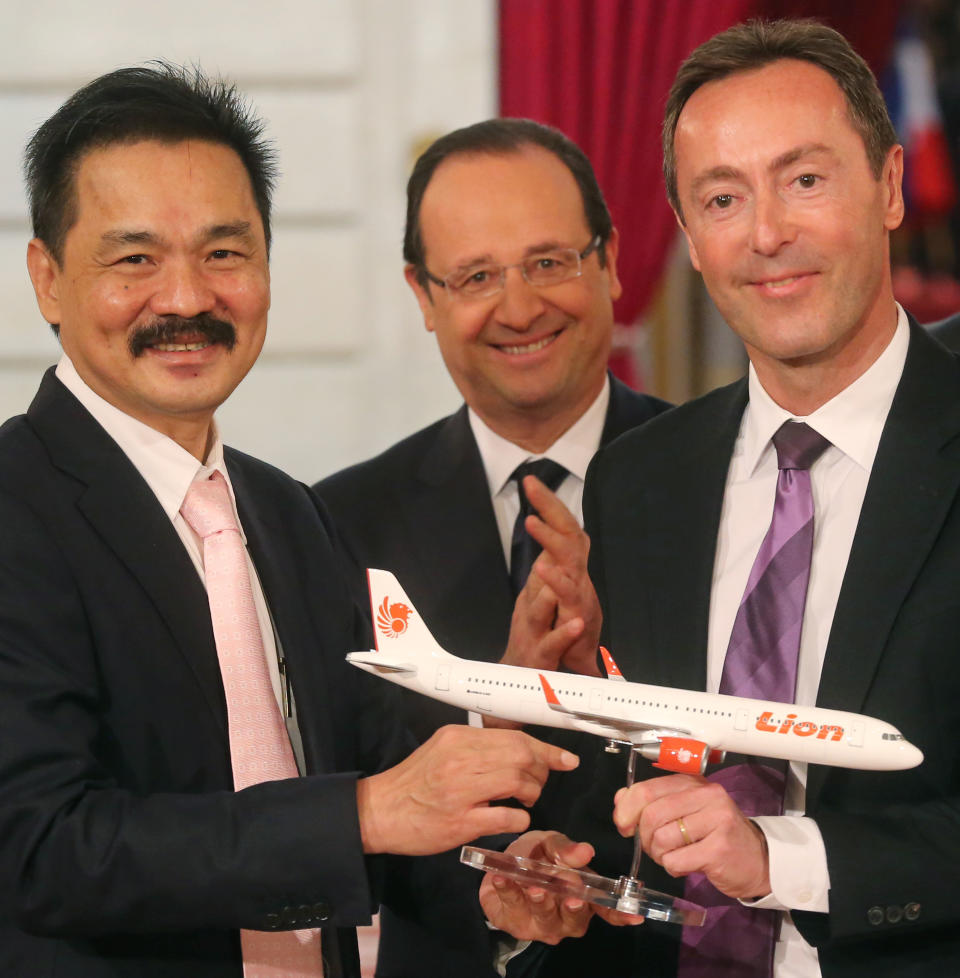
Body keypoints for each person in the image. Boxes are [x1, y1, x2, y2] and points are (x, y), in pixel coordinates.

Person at [0, 64, 588, 978]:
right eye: (134, 259)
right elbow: (41, 848)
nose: (187, 298)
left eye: (224, 252)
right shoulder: (15, 506)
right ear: (47, 278)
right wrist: (364, 814)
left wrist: (492, 887)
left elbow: (382, 799)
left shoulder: (288, 514)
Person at [510, 18, 960, 978]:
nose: (766, 235)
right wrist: (570, 862)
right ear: (688, 236)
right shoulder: (640, 478)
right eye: (723, 197)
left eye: (805, 180)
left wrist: (778, 860)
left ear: (888, 186)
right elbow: (648, 782)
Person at [314, 118, 669, 976]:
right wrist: (495, 712)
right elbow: (331, 808)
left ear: (612, 261)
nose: (519, 308)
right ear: (424, 297)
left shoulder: (727, 482)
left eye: (549, 263)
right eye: (476, 276)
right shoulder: (338, 522)